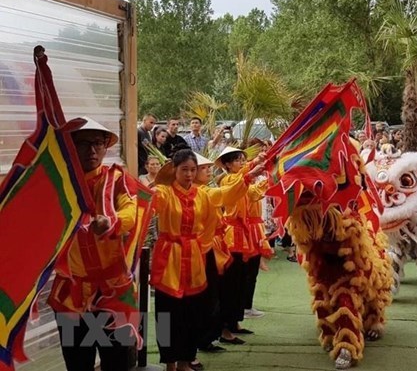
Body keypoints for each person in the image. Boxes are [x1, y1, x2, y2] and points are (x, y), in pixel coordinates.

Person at [150, 149, 265, 371]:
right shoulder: (165, 192)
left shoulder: (203, 194)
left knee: (193, 311)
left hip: (194, 258)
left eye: (193, 170)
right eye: (184, 170)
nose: (189, 174)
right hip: (169, 258)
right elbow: (149, 200)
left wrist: (248, 176)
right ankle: (169, 363)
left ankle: (185, 360)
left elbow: (225, 194)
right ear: (174, 170)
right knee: (166, 313)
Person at [48, 117, 138, 371]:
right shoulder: (59, 184)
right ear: (71, 147)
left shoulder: (115, 180)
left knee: (118, 362)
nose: (92, 150)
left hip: (113, 290)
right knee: (77, 363)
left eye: (98, 143)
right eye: (84, 143)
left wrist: (111, 222)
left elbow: (130, 212)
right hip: (71, 292)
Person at [216, 147, 271, 343]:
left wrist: (268, 178)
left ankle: (235, 321)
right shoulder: (228, 180)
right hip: (232, 235)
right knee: (231, 282)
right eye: (237, 160)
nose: (241, 163)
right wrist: (255, 163)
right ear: (227, 164)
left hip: (247, 233)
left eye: (243, 159)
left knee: (242, 280)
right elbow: (241, 181)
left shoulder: (243, 181)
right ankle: (224, 327)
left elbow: (253, 192)